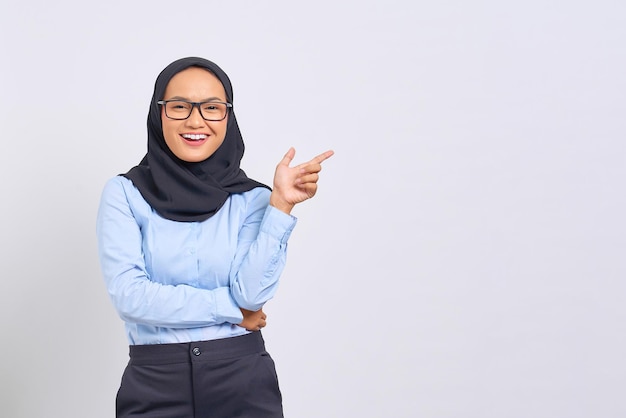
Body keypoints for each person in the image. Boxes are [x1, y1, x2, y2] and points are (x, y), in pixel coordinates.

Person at [96, 56, 333, 418]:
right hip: (154, 380)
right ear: (158, 113)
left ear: (228, 116)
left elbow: (251, 295)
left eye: (211, 108)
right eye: (179, 107)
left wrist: (281, 205)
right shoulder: (125, 194)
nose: (196, 121)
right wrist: (231, 311)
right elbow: (131, 298)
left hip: (242, 377)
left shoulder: (254, 199)